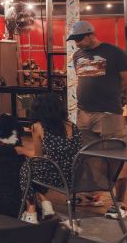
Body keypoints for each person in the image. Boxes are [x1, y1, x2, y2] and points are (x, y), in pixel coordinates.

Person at [67, 20, 127, 219]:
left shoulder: (114, 53)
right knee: (88, 158)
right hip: (84, 113)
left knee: (116, 158)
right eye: (74, 39)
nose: (77, 43)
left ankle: (120, 204)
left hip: (107, 114)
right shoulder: (78, 55)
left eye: (79, 38)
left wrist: (111, 95)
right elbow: (86, 80)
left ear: (90, 34)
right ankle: (92, 195)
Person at [17, 93, 83, 224]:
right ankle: (45, 204)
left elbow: (38, 157)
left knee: (27, 168)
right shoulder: (72, 125)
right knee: (34, 169)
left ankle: (31, 211)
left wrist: (22, 150)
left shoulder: (38, 126)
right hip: (75, 176)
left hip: (55, 176)